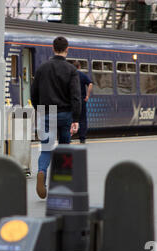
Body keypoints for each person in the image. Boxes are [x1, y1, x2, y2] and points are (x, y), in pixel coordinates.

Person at [30, 36, 81, 199]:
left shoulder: (42, 68)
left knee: (46, 148)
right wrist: (76, 118)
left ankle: (41, 172)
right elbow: (76, 96)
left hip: (47, 113)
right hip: (66, 114)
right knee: (65, 148)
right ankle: (62, 185)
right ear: (67, 49)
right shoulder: (72, 70)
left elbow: (33, 93)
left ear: (53, 48)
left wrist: (40, 109)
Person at [72, 61, 93, 144]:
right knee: (82, 119)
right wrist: (87, 95)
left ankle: (69, 136)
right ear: (79, 67)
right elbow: (90, 84)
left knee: (71, 118)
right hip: (81, 100)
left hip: (72, 100)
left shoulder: (71, 75)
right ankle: (82, 138)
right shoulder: (82, 75)